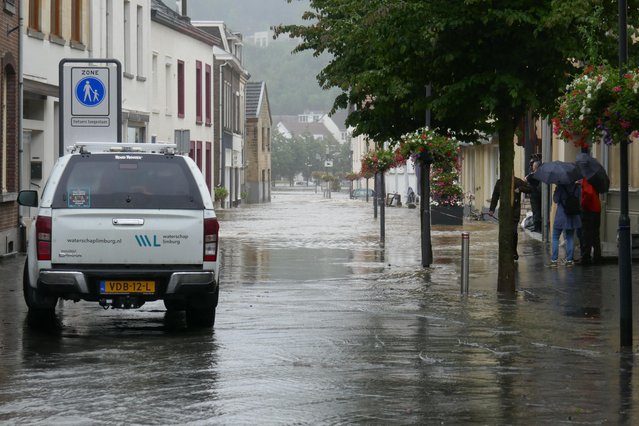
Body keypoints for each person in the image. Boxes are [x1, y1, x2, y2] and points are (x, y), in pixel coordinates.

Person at [488, 177, 532, 260]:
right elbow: (495, 196)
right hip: (504, 212)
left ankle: (513, 251)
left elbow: (530, 189)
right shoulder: (500, 182)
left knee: (514, 232)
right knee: (504, 232)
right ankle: (505, 251)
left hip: (514, 212)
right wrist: (491, 209)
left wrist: (520, 189)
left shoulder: (518, 182)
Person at [551, 182, 582, 267]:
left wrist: (556, 190)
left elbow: (556, 200)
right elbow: (580, 200)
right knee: (570, 237)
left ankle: (554, 260)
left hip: (561, 215)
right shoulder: (577, 187)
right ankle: (569, 260)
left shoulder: (560, 187)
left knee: (555, 237)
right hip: (572, 215)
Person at [580, 178, 602, 265]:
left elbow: (588, 193)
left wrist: (583, 203)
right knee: (596, 235)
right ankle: (597, 257)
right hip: (597, 209)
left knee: (587, 235)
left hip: (589, 210)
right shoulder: (595, 179)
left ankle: (586, 258)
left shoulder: (587, 179)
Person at [525, 159, 542, 233]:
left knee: (535, 211)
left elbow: (525, 179)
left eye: (533, 166)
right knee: (538, 210)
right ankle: (538, 227)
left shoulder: (532, 175)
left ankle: (537, 228)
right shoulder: (541, 174)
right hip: (540, 195)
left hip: (534, 195)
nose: (532, 167)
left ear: (535, 167)